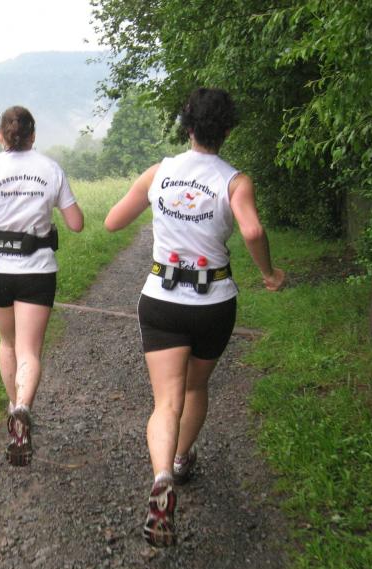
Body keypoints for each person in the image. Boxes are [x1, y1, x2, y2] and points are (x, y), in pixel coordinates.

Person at [103, 88, 285, 546]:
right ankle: (182, 460)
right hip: (212, 301)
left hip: (161, 300)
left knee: (166, 401)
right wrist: (269, 273)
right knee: (195, 387)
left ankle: (161, 475)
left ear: (186, 126)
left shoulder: (158, 173)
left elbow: (112, 222)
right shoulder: (235, 182)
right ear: (228, 130)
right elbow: (253, 230)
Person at [0, 106, 84, 467]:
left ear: (1, 136)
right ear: (33, 135)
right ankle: (24, 407)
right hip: (36, 272)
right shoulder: (51, 169)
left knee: (8, 342)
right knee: (29, 351)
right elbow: (76, 223)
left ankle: (14, 409)